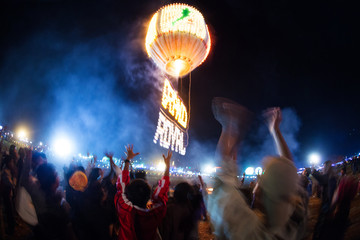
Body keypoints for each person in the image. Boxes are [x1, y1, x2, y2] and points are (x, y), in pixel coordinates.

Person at [204, 98, 307, 240]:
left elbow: (223, 183)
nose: (256, 186)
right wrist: (275, 130)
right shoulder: (293, 220)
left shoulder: (249, 232)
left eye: (261, 180)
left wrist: (228, 126)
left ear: (262, 195)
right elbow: (287, 175)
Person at [114, 145, 171, 240]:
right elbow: (162, 193)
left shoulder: (126, 210)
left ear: (128, 195)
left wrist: (128, 159)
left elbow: (122, 184)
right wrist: (167, 166)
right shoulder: (155, 213)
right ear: (148, 195)